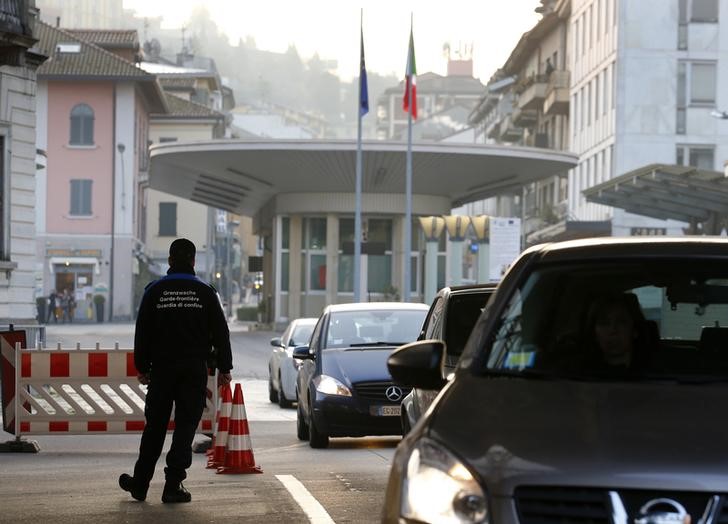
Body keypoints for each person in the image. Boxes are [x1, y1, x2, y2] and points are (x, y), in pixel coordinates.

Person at [119, 238, 233, 504]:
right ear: (193, 261)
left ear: (170, 261)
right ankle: (173, 485)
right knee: (185, 427)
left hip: (162, 369)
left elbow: (142, 331)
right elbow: (221, 333)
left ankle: (140, 483)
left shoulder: (154, 291)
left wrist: (142, 366)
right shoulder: (206, 292)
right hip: (193, 370)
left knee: (155, 427)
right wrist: (225, 367)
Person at [582, 293, 648, 376]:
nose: (613, 330)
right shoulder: (581, 374)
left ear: (634, 330)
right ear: (594, 333)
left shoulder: (657, 372)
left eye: (621, 322)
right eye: (604, 323)